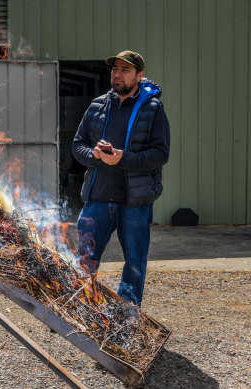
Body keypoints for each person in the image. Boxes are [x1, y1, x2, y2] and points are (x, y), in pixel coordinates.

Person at [72, 50, 170, 306]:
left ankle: (126, 318)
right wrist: (94, 154)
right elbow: (77, 145)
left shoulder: (153, 108)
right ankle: (80, 309)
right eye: (115, 68)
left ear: (139, 75)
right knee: (84, 258)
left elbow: (160, 153)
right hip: (98, 198)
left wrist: (122, 158)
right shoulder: (97, 105)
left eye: (125, 70)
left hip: (134, 202)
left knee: (135, 262)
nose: (117, 73)